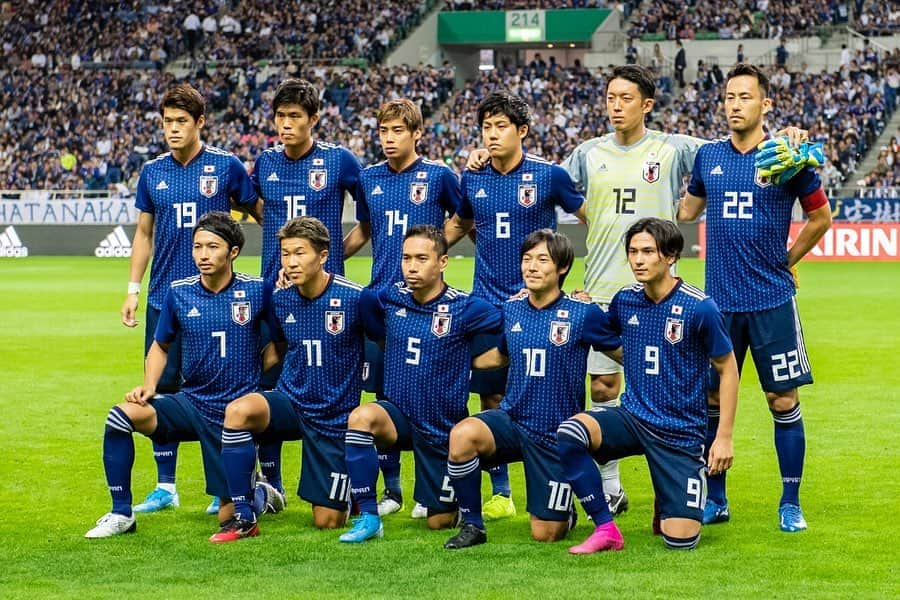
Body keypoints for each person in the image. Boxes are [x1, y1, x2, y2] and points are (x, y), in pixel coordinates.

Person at [679, 63, 831, 532]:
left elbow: (821, 218)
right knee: (709, 401)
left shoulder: (786, 156)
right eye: (729, 97)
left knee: (781, 399)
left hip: (771, 302)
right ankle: (716, 498)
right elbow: (687, 210)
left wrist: (787, 261)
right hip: (718, 305)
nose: (734, 105)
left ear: (766, 104)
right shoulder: (708, 157)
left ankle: (790, 502)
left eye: (745, 97)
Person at [557, 217, 738, 553]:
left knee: (679, 541)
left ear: (669, 256)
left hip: (679, 432)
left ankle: (667, 492)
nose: (638, 260)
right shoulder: (625, 300)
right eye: (633, 252)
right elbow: (607, 335)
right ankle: (606, 528)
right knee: (570, 434)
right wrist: (578, 305)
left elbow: (728, 369)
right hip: (633, 418)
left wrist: (723, 437)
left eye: (648, 252)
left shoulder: (700, 307)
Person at [86, 212, 272, 538]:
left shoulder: (258, 291)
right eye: (197, 246)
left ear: (233, 252)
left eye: (212, 247)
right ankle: (121, 513)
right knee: (120, 417)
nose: (202, 255)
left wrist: (257, 374)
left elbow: (281, 342)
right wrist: (149, 386)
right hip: (191, 402)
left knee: (228, 518)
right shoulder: (179, 292)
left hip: (234, 413)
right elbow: (160, 346)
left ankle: (258, 493)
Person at [445, 90, 585, 520]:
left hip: (539, 306)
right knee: (492, 394)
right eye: (486, 127)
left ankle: (567, 480)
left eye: (501, 126)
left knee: (549, 396)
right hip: (487, 304)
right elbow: (464, 223)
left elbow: (590, 219)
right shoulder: (474, 176)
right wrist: (425, 258)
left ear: (522, 131)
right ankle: (502, 492)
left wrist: (589, 279)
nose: (491, 134)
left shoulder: (549, 175)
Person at [120, 83, 257, 516]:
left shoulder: (226, 166)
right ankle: (166, 486)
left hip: (217, 302)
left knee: (218, 393)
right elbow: (144, 233)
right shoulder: (153, 172)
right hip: (165, 298)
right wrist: (133, 289)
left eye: (182, 122)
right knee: (159, 392)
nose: (173, 130)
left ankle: (225, 486)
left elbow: (259, 214)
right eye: (167, 122)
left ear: (201, 123)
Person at [442, 229, 608, 550]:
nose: (531, 266)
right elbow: (501, 355)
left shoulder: (582, 313)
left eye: (541, 260)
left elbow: (619, 350)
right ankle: (473, 525)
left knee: (545, 534)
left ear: (561, 268)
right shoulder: (513, 308)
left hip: (554, 433)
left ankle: (565, 511)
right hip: (513, 421)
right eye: (526, 259)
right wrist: (454, 361)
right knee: (462, 436)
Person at [340, 226, 502, 543]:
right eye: (406, 258)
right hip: (398, 416)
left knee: (438, 523)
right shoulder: (388, 298)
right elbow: (368, 314)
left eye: (421, 259)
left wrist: (474, 361)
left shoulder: (466, 308)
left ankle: (452, 502)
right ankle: (369, 516)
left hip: (441, 428)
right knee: (361, 418)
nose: (411, 266)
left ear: (442, 262)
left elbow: (513, 325)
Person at [343, 100, 462, 519]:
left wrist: (435, 251)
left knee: (432, 396)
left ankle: (444, 488)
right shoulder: (368, 178)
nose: (389, 139)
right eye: (383, 131)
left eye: (397, 131)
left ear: (417, 134)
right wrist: (327, 263)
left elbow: (464, 217)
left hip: (428, 310)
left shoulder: (438, 176)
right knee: (384, 395)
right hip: (382, 304)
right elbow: (365, 229)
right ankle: (391, 489)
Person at [212, 217, 364, 542]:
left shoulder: (355, 299)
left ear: (323, 256)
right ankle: (244, 516)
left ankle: (346, 487)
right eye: (285, 254)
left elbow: (380, 343)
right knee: (238, 412)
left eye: (300, 253)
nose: (291, 262)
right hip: (291, 402)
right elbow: (278, 346)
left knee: (328, 522)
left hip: (331, 416)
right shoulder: (280, 299)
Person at [250, 78, 362, 496]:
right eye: (280, 117)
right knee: (268, 375)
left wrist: (333, 261)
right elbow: (256, 207)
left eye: (295, 117)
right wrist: (285, 256)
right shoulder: (264, 163)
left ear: (314, 119)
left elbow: (367, 220)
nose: (286, 125)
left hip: (327, 297)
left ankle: (373, 485)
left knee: (331, 383)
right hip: (272, 291)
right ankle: (270, 481)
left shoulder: (339, 162)